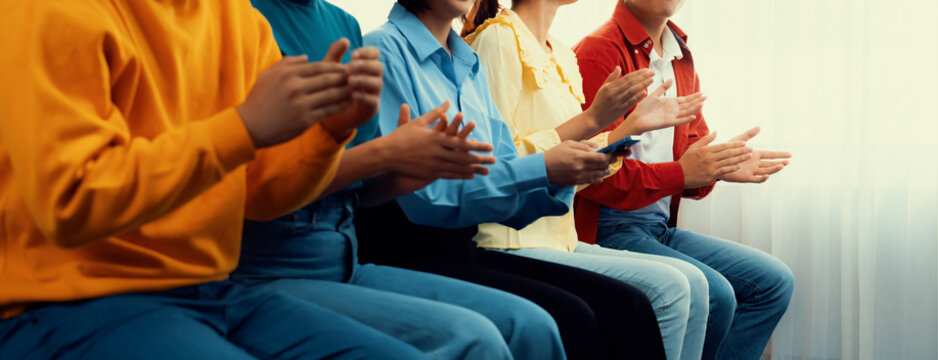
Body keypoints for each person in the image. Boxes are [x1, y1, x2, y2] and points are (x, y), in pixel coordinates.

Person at [0, 1, 430, 358]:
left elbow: (261, 194)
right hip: (63, 303)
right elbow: (71, 199)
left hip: (213, 292)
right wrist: (242, 129)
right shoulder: (52, 7)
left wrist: (328, 134)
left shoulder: (237, 17)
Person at [231, 1, 567, 359]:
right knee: (479, 339)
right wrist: (389, 157)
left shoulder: (340, 22)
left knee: (533, 325)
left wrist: (401, 177)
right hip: (271, 263)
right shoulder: (240, 17)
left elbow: (359, 193)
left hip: (345, 257)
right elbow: (257, 184)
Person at [354, 1, 667, 359]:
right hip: (405, 252)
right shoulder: (381, 49)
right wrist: (546, 169)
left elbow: (503, 173)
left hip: (463, 246)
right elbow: (426, 201)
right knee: (572, 318)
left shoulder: (467, 63)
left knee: (629, 306)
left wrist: (563, 176)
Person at [461, 0, 714, 358]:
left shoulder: (560, 53)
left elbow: (573, 169)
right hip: (511, 238)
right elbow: (492, 163)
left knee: (695, 284)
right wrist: (595, 123)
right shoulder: (498, 41)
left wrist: (628, 129)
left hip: (561, 238)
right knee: (671, 287)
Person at [573, 0, 796, 359]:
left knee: (773, 282)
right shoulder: (598, 51)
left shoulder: (680, 55)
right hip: (606, 228)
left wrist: (719, 165)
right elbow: (593, 174)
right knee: (716, 294)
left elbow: (691, 155)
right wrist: (683, 173)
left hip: (656, 227)